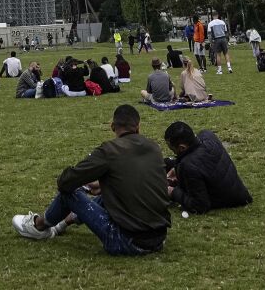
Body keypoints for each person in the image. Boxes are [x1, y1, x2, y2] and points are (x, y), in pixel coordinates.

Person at [12, 104, 171, 255]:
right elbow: (133, 181)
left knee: (71, 193)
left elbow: (66, 182)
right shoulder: (154, 148)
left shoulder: (109, 151)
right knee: (110, 195)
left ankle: (39, 226)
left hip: (126, 241)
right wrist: (105, 184)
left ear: (112, 126)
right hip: (159, 239)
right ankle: (61, 224)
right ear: (138, 126)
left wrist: (91, 181)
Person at [162, 121, 250, 214]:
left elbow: (199, 206)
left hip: (227, 199)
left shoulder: (188, 166)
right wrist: (177, 170)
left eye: (172, 149)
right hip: (237, 191)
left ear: (182, 148)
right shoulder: (207, 136)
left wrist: (173, 192)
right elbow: (202, 163)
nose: (173, 152)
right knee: (167, 163)